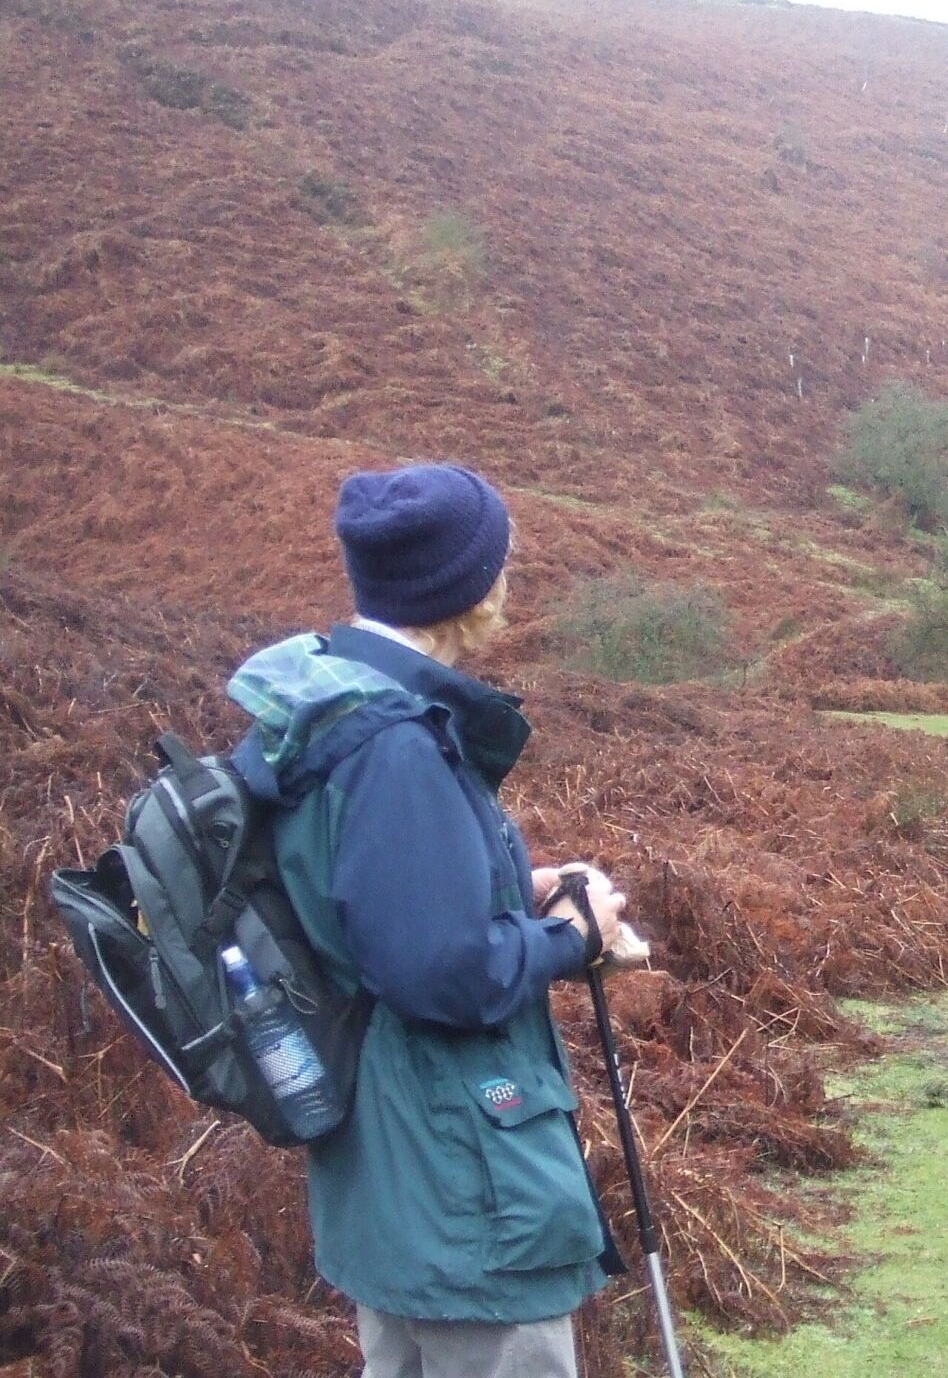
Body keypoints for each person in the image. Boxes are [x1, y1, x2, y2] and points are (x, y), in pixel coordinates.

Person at [226, 463, 628, 1378]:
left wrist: (513, 883)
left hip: (397, 1162)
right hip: (463, 1180)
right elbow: (442, 973)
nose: (508, 575)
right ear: (467, 588)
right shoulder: (398, 746)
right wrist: (577, 936)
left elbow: (359, 900)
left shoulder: (330, 707)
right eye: (500, 559)